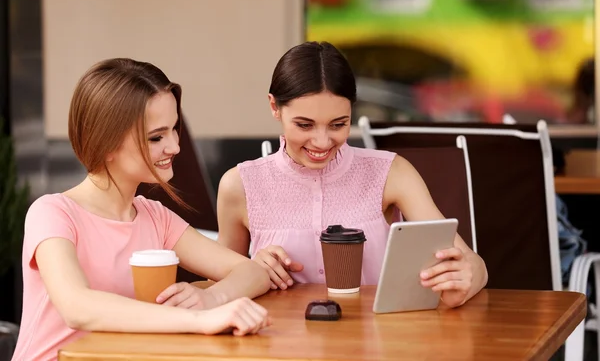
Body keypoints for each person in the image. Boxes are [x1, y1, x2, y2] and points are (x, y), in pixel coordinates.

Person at [12, 58, 271, 361]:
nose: (174, 146)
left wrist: (210, 298)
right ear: (105, 141)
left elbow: (252, 272)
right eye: (156, 137)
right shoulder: (52, 213)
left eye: (175, 130)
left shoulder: (155, 217)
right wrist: (199, 321)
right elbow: (77, 307)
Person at [217, 41, 488, 308]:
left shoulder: (391, 173)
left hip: (373, 345)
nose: (322, 142)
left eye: (338, 124)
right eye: (304, 125)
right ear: (274, 107)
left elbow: (473, 264)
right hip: (279, 345)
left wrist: (465, 280)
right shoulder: (240, 186)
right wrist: (250, 270)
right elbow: (217, 282)